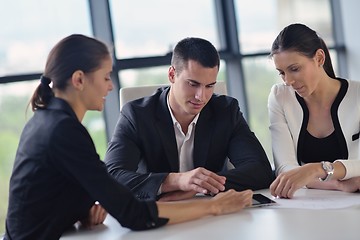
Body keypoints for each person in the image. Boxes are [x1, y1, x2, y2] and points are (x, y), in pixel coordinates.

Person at [4, 34, 254, 240]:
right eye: (104, 77)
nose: (110, 86)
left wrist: (79, 210)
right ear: (79, 79)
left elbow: (63, 187)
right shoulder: (63, 131)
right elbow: (133, 214)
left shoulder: (48, 120)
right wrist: (213, 206)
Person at [104, 37, 274, 202]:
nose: (201, 96)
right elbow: (112, 177)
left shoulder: (225, 111)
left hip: (212, 213)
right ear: (172, 75)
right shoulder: (137, 115)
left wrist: (198, 186)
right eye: (193, 84)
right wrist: (177, 181)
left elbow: (260, 171)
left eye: (209, 86)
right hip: (161, 215)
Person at [268, 23, 360, 199]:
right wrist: (338, 184)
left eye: (294, 69)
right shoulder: (280, 97)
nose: (288, 81)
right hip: (307, 205)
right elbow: (285, 169)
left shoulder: (358, 95)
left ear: (319, 58)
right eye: (281, 73)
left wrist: (316, 169)